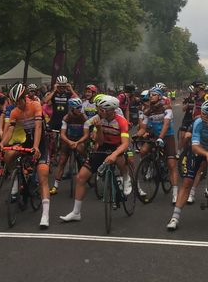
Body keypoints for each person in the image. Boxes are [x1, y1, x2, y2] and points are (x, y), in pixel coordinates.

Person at [60, 95, 131, 223]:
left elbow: (125, 143)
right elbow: (99, 141)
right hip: (103, 146)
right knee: (81, 177)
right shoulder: (97, 119)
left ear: (110, 110)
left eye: (101, 109)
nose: (98, 111)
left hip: (118, 146)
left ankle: (126, 177)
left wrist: (114, 154)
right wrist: (98, 129)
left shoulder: (121, 121)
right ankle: (76, 212)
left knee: (119, 158)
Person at [167, 99, 208, 231]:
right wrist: (207, 155)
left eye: (205, 114)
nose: (202, 116)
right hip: (200, 149)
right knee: (186, 183)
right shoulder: (198, 123)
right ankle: (175, 217)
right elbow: (195, 147)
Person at [0, 83, 50, 228]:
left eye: (19, 101)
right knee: (9, 155)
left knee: (42, 174)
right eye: (15, 102)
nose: (18, 105)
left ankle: (45, 214)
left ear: (24, 97)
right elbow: (9, 131)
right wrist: (2, 143)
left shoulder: (35, 105)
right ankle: (16, 180)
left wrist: (36, 147)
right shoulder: (15, 112)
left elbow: (39, 127)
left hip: (40, 142)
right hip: (27, 140)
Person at [138, 87, 180, 203]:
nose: (151, 96)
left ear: (160, 97)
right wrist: (135, 137)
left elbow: (166, 124)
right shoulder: (148, 111)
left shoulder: (167, 108)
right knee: (143, 150)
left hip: (167, 136)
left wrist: (161, 138)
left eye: (154, 94)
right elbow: (143, 128)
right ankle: (149, 164)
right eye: (151, 94)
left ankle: (175, 192)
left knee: (171, 164)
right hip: (154, 136)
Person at [50, 98, 87, 195]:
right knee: (62, 161)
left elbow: (86, 134)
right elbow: (62, 134)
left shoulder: (84, 117)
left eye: (80, 107)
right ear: (72, 109)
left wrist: (78, 142)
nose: (80, 109)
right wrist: (69, 142)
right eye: (77, 108)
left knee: (81, 149)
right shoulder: (66, 118)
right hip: (67, 140)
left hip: (79, 140)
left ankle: (84, 162)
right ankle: (55, 186)